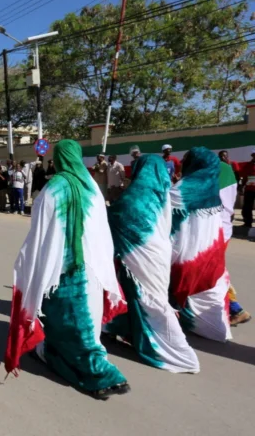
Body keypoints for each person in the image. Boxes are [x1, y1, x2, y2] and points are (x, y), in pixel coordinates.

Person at [5, 139, 129, 400]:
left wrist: (30, 264)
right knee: (85, 325)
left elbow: (40, 235)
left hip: (63, 273)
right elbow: (101, 232)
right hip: (94, 270)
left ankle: (101, 373)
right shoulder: (93, 187)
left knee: (72, 325)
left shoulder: (53, 189)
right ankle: (82, 361)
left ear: (59, 158)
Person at [106, 155, 199, 373]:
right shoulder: (162, 193)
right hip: (159, 251)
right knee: (140, 295)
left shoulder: (135, 197)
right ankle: (128, 330)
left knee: (148, 299)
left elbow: (118, 217)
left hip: (140, 254)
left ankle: (176, 350)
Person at [169, 147, 230, 342]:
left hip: (186, 250)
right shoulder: (212, 187)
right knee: (210, 285)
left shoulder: (182, 189)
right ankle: (218, 327)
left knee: (183, 281)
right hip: (211, 250)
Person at [218, 155, 251, 325]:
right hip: (221, 234)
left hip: (214, 238)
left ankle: (235, 309)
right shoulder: (225, 180)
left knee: (213, 276)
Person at [232, 148, 255, 234]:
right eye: (254, 155)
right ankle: (247, 223)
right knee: (247, 208)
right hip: (249, 190)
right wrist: (241, 187)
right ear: (252, 156)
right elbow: (244, 178)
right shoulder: (248, 166)